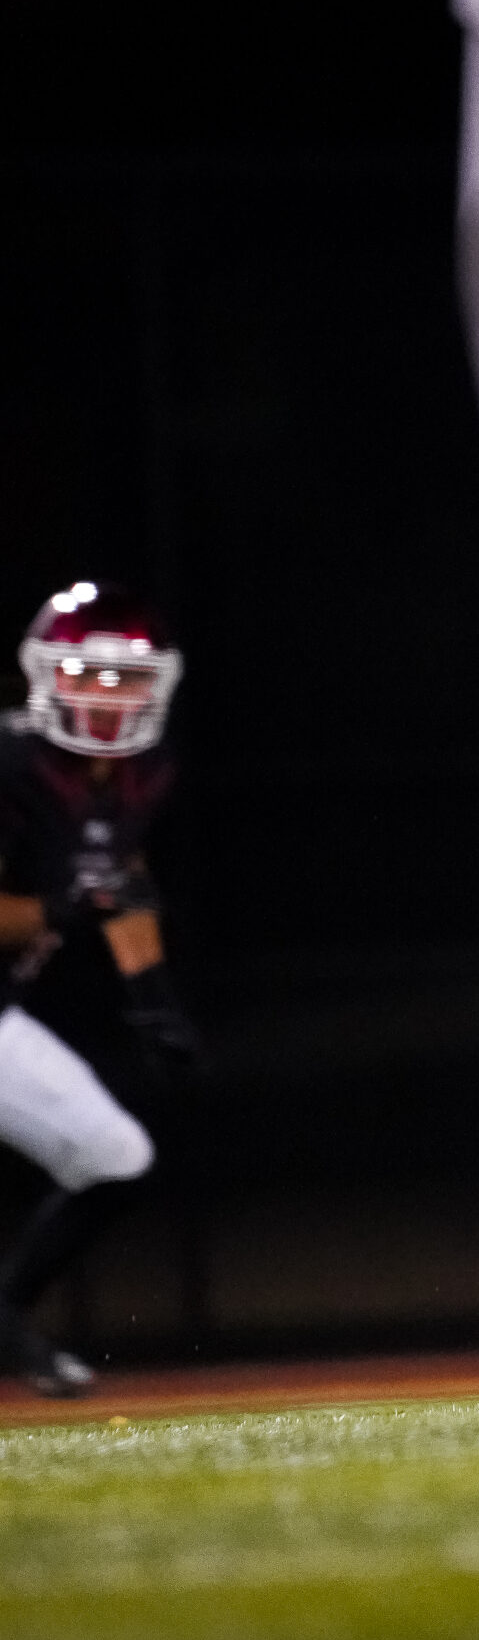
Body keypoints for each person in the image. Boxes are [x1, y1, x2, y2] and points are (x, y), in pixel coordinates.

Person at [0, 581, 201, 1395]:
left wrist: (153, 999)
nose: (109, 697)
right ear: (47, 675)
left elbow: (122, 881)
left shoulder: (138, 774)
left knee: (113, 1155)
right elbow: (82, 894)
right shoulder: (10, 764)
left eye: (128, 680)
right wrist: (57, 908)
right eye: (90, 674)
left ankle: (7, 1315)